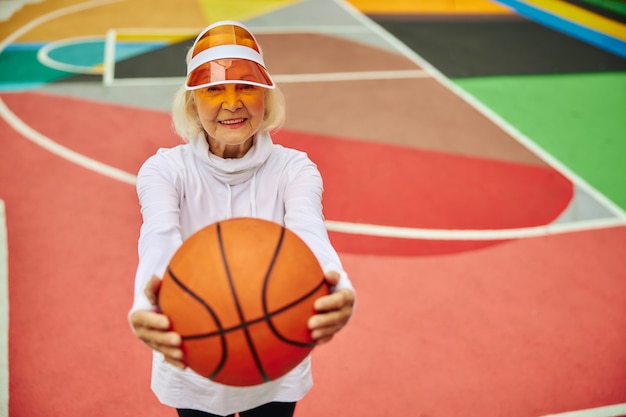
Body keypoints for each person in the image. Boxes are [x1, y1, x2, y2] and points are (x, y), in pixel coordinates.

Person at [128, 20, 356, 417]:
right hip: (193, 360)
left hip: (275, 360)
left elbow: (309, 232)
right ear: (192, 101)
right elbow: (159, 237)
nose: (231, 103)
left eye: (246, 87)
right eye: (215, 88)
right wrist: (147, 305)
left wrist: (337, 288)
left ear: (266, 97)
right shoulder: (163, 170)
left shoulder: (295, 169)